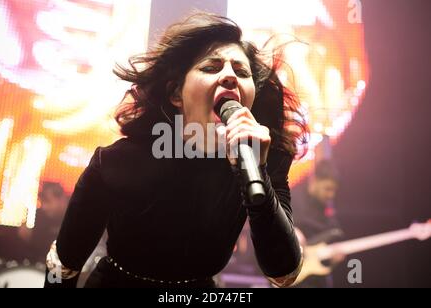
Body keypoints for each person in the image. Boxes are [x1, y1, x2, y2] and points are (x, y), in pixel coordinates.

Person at [44, 12, 308, 288]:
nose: (229, 75)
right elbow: (63, 266)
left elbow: (284, 272)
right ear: (175, 94)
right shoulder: (117, 162)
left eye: (241, 72)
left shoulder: (264, 160)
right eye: (211, 67)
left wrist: (259, 178)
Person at [292, 159, 345, 288]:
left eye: (334, 190)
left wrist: (335, 256)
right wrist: (291, 231)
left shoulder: (326, 212)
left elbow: (334, 235)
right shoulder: (292, 198)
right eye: (327, 189)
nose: (331, 195)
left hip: (315, 280)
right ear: (314, 180)